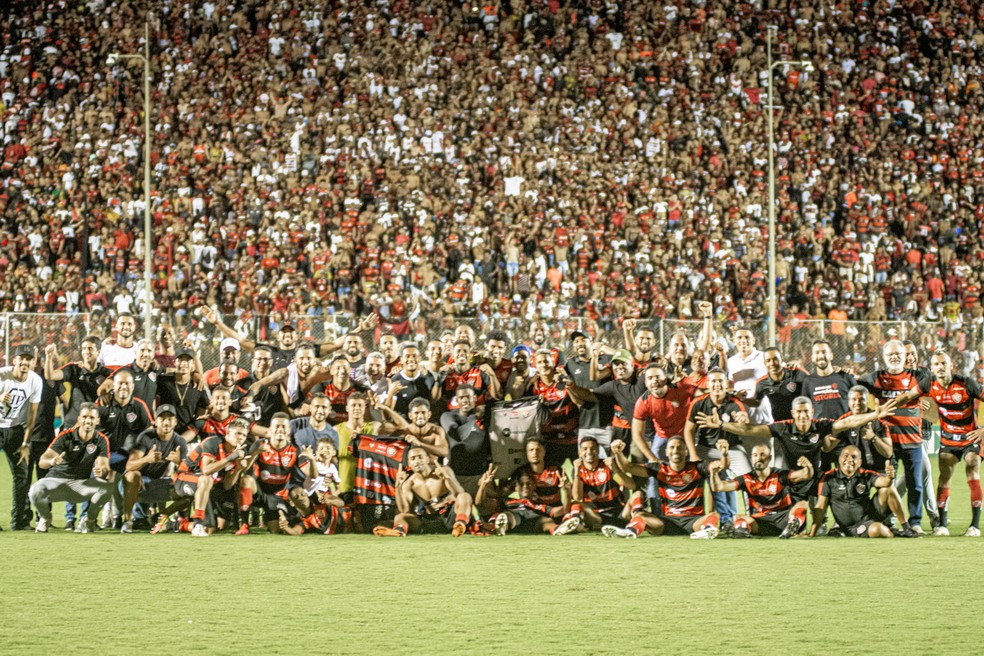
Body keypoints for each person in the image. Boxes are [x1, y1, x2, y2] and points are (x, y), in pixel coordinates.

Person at [695, 396, 899, 504]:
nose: (802, 416)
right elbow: (749, 429)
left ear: (812, 412)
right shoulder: (783, 427)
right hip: (789, 478)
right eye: (799, 412)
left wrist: (873, 416)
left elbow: (848, 422)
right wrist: (721, 426)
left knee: (820, 505)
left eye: (806, 412)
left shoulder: (820, 426)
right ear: (793, 413)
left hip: (815, 475)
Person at [858, 339, 933, 532]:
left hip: (912, 440)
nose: (894, 358)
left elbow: (932, 388)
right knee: (886, 483)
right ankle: (887, 519)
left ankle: (915, 523)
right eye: (890, 355)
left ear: (903, 356)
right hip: (887, 442)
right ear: (884, 358)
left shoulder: (917, 376)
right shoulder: (875, 377)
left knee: (915, 484)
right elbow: (854, 386)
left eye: (897, 355)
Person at [609, 436, 722, 539]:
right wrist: (618, 453)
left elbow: (722, 465)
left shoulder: (698, 467)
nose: (675, 451)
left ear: (686, 451)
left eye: (679, 448)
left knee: (714, 515)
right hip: (668, 522)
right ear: (667, 452)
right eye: (672, 448)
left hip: (693, 521)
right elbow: (629, 467)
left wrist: (723, 456)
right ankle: (630, 531)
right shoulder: (659, 468)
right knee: (641, 515)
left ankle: (706, 531)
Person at [29, 403, 113, 534]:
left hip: (80, 485)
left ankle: (89, 521)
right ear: (79, 419)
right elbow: (42, 462)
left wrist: (101, 472)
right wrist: (51, 461)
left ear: (97, 421)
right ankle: (45, 517)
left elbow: (104, 467)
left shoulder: (101, 440)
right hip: (57, 482)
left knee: (106, 487)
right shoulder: (65, 436)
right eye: (85, 417)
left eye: (92, 417)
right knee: (35, 490)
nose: (88, 421)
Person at [682, 367, 750, 527]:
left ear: (727, 384)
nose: (717, 384)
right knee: (714, 474)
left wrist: (743, 418)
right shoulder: (698, 403)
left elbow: (743, 422)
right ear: (708, 383)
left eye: (720, 381)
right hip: (708, 449)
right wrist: (693, 455)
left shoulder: (734, 403)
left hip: (733, 448)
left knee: (749, 478)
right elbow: (688, 430)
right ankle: (726, 520)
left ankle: (751, 518)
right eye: (713, 381)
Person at [926, 350, 984, 536]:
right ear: (932, 368)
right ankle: (942, 525)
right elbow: (910, 396)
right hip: (948, 439)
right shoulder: (929, 385)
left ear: (951, 365)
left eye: (944, 363)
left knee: (972, 466)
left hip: (970, 437)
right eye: (936, 364)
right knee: (944, 476)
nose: (940, 367)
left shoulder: (966, 383)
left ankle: (974, 526)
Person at [172, 418, 259, 537]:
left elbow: (227, 485)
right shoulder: (212, 442)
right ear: (228, 432)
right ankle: (197, 523)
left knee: (219, 527)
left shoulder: (238, 451)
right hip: (183, 478)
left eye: (244, 435)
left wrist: (238, 468)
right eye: (238, 433)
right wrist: (230, 458)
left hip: (209, 486)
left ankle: (177, 525)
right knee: (205, 479)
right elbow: (206, 470)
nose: (241, 437)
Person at [709, 444, 814, 538]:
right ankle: (742, 532)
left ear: (769, 458)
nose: (758, 458)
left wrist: (808, 466)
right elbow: (719, 487)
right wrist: (714, 473)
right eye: (755, 455)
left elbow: (806, 475)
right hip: (761, 522)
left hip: (783, 518)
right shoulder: (746, 479)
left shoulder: (780, 475)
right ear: (752, 459)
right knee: (738, 517)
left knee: (802, 504)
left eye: (762, 455)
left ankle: (791, 527)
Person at [811, 446, 917, 538]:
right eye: (846, 456)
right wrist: (812, 533)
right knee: (876, 529)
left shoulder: (865, 474)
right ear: (839, 459)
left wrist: (890, 477)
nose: (849, 460)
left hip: (870, 515)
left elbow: (884, 483)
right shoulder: (829, 477)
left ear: (860, 462)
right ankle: (892, 533)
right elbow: (820, 507)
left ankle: (906, 528)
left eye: (854, 457)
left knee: (889, 489)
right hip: (853, 527)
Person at [372, 445, 474, 537]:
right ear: (409, 463)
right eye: (413, 459)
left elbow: (459, 493)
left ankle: (460, 524)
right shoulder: (409, 483)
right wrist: (398, 486)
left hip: (450, 516)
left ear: (427, 459)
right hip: (428, 519)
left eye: (420, 457)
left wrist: (447, 478)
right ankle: (398, 531)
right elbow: (404, 510)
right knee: (401, 516)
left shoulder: (443, 471)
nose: (417, 461)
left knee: (465, 496)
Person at [120, 404, 188, 534]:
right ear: (156, 422)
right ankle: (127, 521)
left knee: (189, 488)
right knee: (132, 475)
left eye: (170, 419)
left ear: (175, 422)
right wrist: (147, 459)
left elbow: (188, 472)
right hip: (137, 485)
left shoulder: (180, 442)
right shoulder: (146, 437)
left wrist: (178, 462)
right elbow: (129, 466)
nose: (166, 423)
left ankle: (163, 517)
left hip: (157, 485)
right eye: (162, 419)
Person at [0, 345, 43, 530]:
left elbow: (32, 416)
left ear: (33, 362)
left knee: (22, 474)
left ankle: (18, 521)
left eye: (29, 359)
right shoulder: (2, 375)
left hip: (15, 429)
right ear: (14, 361)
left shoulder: (35, 381)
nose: (25, 362)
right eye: (21, 358)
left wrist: (26, 442)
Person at [632, 364, 698, 462]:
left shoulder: (681, 388)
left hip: (687, 434)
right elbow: (636, 434)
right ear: (646, 383)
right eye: (650, 378)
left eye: (658, 377)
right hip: (663, 436)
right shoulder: (643, 402)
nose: (654, 381)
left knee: (693, 467)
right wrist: (653, 458)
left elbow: (705, 394)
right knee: (654, 469)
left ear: (665, 379)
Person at [439, 385, 490, 498]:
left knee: (489, 512)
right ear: (456, 400)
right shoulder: (448, 416)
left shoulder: (486, 417)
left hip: (479, 476)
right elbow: (458, 436)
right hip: (456, 477)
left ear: (475, 398)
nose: (465, 400)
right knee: (458, 512)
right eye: (461, 397)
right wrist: (475, 417)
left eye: (468, 397)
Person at [492, 468, 575, 536]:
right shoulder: (509, 501)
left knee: (546, 520)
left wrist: (567, 492)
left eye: (528, 484)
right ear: (516, 487)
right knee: (507, 515)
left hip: (533, 524)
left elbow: (564, 510)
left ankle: (558, 529)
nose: (525, 487)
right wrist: (484, 486)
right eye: (521, 484)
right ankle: (502, 527)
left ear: (534, 486)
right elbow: (481, 503)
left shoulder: (540, 506)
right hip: (515, 520)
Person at [749, 347, 808, 422]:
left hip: (801, 423)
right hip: (779, 427)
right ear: (764, 363)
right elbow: (756, 402)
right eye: (768, 360)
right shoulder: (762, 383)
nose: (772, 363)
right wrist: (742, 398)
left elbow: (813, 390)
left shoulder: (798, 373)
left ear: (782, 359)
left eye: (775, 359)